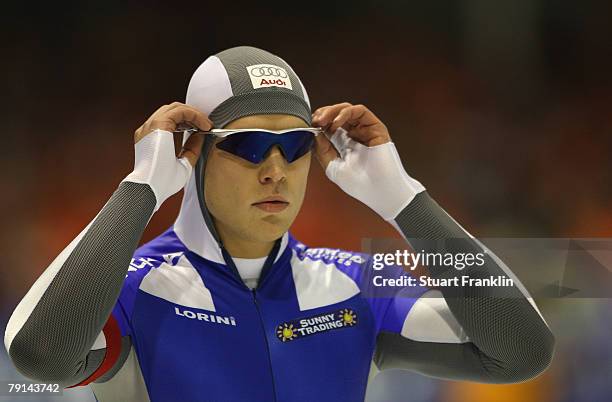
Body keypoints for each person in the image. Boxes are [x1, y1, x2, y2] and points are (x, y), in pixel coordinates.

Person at [3, 46, 554, 402]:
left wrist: (402, 198)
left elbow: (521, 350)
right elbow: (38, 352)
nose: (276, 171)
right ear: (192, 153)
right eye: (246, 146)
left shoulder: (354, 286)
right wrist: (141, 188)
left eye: (293, 147)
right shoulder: (139, 286)